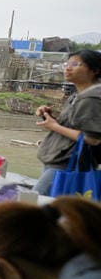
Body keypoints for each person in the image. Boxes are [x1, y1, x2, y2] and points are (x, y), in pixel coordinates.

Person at [33, 49, 101, 196]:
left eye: (76, 64)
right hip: (59, 160)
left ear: (95, 70)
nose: (68, 68)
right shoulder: (77, 96)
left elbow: (92, 139)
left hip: (68, 164)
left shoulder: (92, 98)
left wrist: (54, 126)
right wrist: (49, 117)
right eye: (67, 64)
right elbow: (74, 126)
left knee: (36, 203)